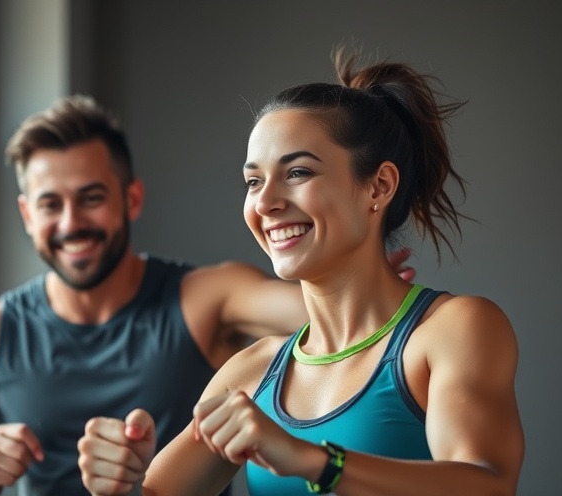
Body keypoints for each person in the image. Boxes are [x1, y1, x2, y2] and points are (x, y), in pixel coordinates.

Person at [0, 94, 415, 495]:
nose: (71, 222)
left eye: (91, 198)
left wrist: (352, 271)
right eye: (50, 204)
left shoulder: (206, 297)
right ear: (28, 215)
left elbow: (321, 313)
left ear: (132, 198)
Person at [76, 49, 525, 496]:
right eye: (254, 181)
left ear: (379, 186)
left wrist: (312, 460)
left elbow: (487, 484)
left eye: (297, 172)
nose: (266, 202)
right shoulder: (252, 372)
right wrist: (120, 480)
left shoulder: (452, 330)